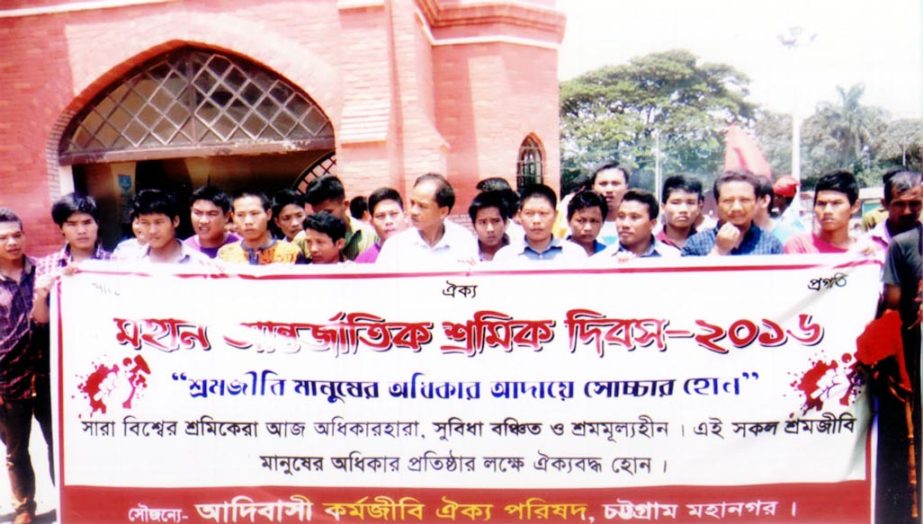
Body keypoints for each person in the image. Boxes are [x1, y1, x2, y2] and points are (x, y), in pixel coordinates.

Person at [31, 194, 110, 493]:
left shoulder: (116, 262)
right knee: (63, 442)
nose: (81, 230)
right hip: (63, 368)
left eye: (87, 222)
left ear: (97, 224)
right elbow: (40, 321)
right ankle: (69, 502)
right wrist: (42, 294)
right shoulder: (49, 265)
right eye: (72, 224)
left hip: (105, 367)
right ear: (61, 229)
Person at [0, 208, 40, 524]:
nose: (12, 242)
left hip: (48, 376)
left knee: (60, 445)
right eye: (3, 238)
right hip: (7, 383)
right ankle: (24, 508)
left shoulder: (44, 271)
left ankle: (73, 501)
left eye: (17, 234)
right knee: (16, 452)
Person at [376, 173, 478, 267]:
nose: (413, 211)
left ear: (443, 212)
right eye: (412, 203)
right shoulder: (395, 246)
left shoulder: (464, 240)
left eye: (422, 206)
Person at [682, 171, 783, 256]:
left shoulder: (771, 245)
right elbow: (689, 279)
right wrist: (718, 250)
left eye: (745, 200)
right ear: (717, 203)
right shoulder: (695, 244)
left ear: (757, 202)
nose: (736, 208)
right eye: (728, 201)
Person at [493, 184, 586, 263]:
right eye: (529, 213)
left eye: (543, 213)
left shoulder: (575, 255)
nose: (536, 220)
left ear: (555, 215)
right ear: (520, 215)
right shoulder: (505, 257)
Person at [295, 176, 375, 261]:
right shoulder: (302, 238)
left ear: (345, 205)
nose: (323, 218)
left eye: (328, 212)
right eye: (317, 213)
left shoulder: (368, 235)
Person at [117, 190, 207, 264]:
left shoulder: (200, 263)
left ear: (175, 221)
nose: (152, 231)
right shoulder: (129, 263)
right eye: (145, 223)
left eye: (159, 222)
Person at [784, 171, 861, 254]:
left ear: (855, 206)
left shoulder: (866, 250)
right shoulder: (800, 246)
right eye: (821, 204)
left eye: (836, 203)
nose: (827, 210)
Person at [217, 190, 301, 265]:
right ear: (233, 217)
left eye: (254, 213)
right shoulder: (225, 255)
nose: (248, 221)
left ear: (268, 214)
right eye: (240, 215)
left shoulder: (291, 253)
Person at [594, 189, 679, 261]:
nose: (625, 224)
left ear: (652, 224)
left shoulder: (674, 258)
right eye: (621, 216)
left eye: (634, 217)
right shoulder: (600, 261)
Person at [868, 170, 923, 251]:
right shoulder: (868, 244)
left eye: (914, 203)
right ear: (885, 204)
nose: (907, 212)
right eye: (899, 204)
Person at [184, 186, 240, 258]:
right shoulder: (184, 250)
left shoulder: (242, 246)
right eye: (197, 213)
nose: (203, 221)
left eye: (212, 214)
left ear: (226, 216)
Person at [355, 188, 406, 264]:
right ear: (372, 222)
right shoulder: (363, 262)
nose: (388, 221)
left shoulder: (422, 252)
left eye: (394, 214)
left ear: (405, 216)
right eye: (380, 216)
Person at [589, 162, 630, 246]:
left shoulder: (641, 224)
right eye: (603, 184)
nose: (609, 189)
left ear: (626, 187)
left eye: (615, 184)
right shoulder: (580, 224)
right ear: (593, 188)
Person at [657, 175, 704, 249]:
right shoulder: (650, 246)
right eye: (675, 202)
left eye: (690, 203)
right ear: (663, 207)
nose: (683, 209)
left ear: (699, 208)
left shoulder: (707, 245)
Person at [469, 191, 512, 261]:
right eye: (483, 222)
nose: (490, 229)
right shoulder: (465, 255)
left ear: (506, 222)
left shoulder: (520, 253)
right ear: (474, 225)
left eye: (495, 221)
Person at [566, 190, 607, 256]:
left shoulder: (608, 255)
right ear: (568, 220)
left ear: (602, 223)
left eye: (593, 221)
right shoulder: (557, 254)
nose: (588, 228)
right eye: (581, 221)